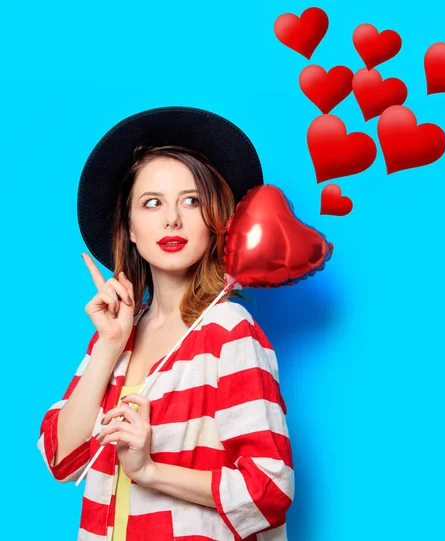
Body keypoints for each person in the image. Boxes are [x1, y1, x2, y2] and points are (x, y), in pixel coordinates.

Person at [36, 106, 295, 541]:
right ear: (131, 228)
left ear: (216, 222)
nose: (171, 218)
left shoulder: (229, 331)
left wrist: (150, 470)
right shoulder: (119, 332)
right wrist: (108, 345)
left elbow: (268, 489)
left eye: (191, 200)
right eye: (151, 203)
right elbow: (62, 460)